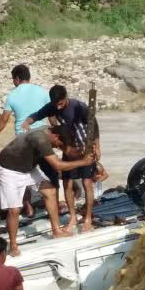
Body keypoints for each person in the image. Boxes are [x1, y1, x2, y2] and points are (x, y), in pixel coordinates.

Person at [0, 125, 95, 257]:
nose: (57, 148)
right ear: (56, 137)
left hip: (28, 168)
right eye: (58, 145)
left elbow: (68, 151)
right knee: (14, 210)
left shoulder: (49, 132)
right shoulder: (41, 140)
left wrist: (84, 153)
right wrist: (84, 162)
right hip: (9, 169)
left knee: (50, 192)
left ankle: (56, 231)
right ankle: (13, 244)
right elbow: (58, 165)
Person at [21, 85, 101, 233]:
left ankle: (88, 217)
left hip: (85, 147)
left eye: (61, 103)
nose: (58, 107)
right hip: (69, 149)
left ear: (66, 97)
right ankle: (72, 217)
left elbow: (94, 124)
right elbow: (37, 114)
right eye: (55, 104)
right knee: (67, 184)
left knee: (87, 182)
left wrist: (97, 146)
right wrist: (27, 122)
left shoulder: (79, 107)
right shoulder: (53, 106)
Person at [0, 64, 50, 137]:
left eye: (13, 79)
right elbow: (52, 116)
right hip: (42, 133)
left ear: (17, 79)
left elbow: (4, 119)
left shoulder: (12, 95)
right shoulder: (43, 91)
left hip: (23, 136)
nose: (13, 82)